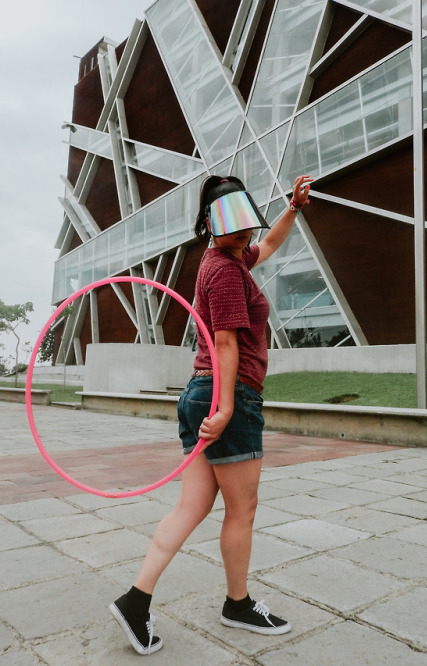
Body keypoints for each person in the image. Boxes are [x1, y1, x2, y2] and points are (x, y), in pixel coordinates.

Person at [110, 174, 313, 655]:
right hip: (229, 393)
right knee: (242, 510)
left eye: (247, 232)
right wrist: (225, 409)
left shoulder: (228, 256)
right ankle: (237, 604)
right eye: (238, 234)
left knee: (192, 506)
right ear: (212, 225)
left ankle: (134, 602)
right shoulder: (223, 271)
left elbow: (265, 247)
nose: (247, 242)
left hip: (200, 391)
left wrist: (294, 209)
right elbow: (226, 341)